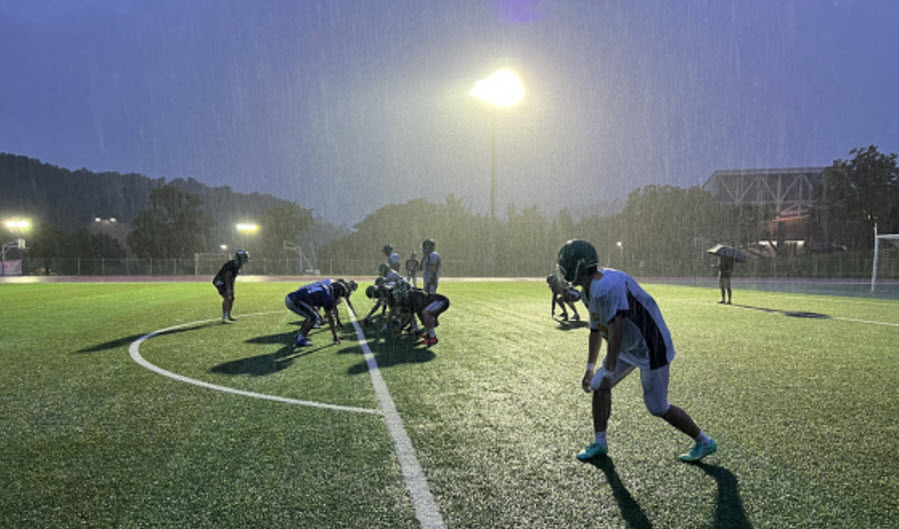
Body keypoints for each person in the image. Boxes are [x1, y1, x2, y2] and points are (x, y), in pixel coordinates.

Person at [557, 239, 717, 463]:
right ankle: (600, 443)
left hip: (651, 346)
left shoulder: (605, 287)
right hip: (627, 347)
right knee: (597, 386)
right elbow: (596, 331)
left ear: (578, 265)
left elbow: (616, 331)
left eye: (565, 264)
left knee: (657, 406)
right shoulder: (590, 289)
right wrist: (590, 368)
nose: (562, 270)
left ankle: (704, 441)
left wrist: (610, 372)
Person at [388, 281, 449, 347]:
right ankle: (430, 334)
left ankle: (433, 338)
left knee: (425, 313)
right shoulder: (410, 296)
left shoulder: (412, 296)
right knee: (423, 316)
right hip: (436, 302)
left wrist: (400, 329)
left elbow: (409, 316)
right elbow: (415, 313)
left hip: (442, 301)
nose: (396, 295)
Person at [285, 279, 341, 346]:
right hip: (295, 300)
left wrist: (320, 315)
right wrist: (335, 336)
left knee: (311, 316)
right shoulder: (327, 297)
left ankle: (301, 335)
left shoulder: (323, 288)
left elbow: (311, 304)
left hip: (291, 297)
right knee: (313, 318)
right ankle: (300, 339)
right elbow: (331, 319)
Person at [212, 250, 249, 324]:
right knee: (227, 298)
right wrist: (228, 289)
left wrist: (231, 289)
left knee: (232, 298)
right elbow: (227, 276)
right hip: (220, 281)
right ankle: (224, 318)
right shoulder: (233, 264)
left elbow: (232, 278)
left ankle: (228, 315)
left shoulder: (238, 264)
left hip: (226, 281)